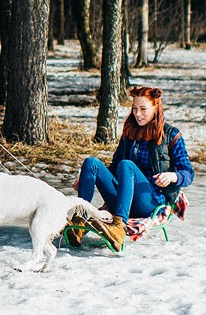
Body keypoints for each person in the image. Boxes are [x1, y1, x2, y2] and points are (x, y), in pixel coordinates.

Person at [69, 86, 195, 251]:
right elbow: (114, 168)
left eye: (143, 109)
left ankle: (118, 227)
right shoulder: (130, 132)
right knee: (91, 163)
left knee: (127, 165)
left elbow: (188, 173)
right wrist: (88, 178)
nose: (137, 114)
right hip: (123, 199)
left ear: (156, 107)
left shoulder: (171, 135)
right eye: (134, 109)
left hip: (149, 201)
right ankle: (79, 221)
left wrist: (173, 176)